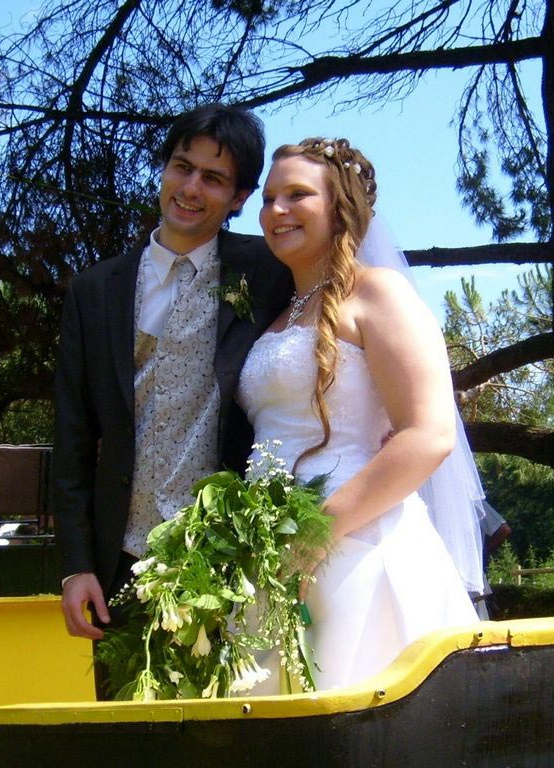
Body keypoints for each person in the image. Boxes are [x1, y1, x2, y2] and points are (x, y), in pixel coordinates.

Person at [236, 137, 478, 691]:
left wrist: (315, 535)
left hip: (357, 547)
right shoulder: (279, 314)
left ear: (340, 205)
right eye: (268, 199)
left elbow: (429, 433)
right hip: (269, 553)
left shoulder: (378, 293)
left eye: (297, 195)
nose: (276, 210)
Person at [52, 103, 292, 643]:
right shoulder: (94, 291)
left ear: (239, 198)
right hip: (120, 560)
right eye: (182, 167)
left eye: (213, 178)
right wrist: (76, 564)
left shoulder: (268, 271)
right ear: (163, 169)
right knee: (123, 698)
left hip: (230, 559)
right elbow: (72, 435)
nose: (190, 188)